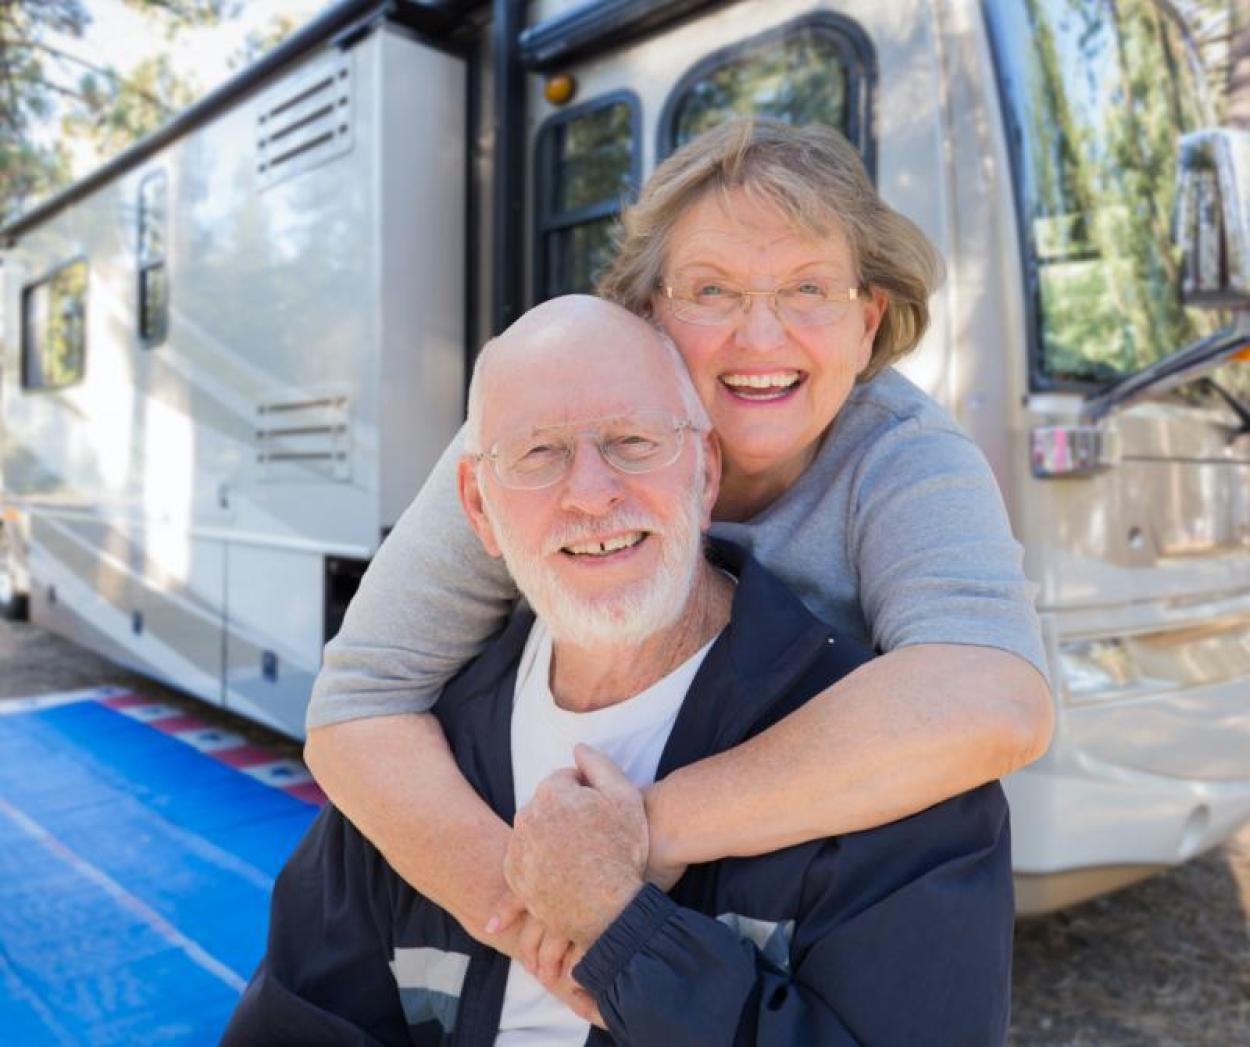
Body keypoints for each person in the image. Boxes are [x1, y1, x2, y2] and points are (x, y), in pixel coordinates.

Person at [302, 118, 1052, 984]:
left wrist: (641, 832)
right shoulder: (531, 437)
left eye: (809, 288)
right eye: (713, 291)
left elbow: (996, 694)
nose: (762, 338)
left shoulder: (901, 454)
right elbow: (357, 702)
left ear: (868, 319)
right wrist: (539, 927)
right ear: (647, 312)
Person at [223, 297, 1013, 1045]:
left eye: (634, 441)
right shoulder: (420, 770)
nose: (592, 494)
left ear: (705, 473)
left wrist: (625, 933)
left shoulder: (891, 773)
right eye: (539, 454)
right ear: (477, 506)